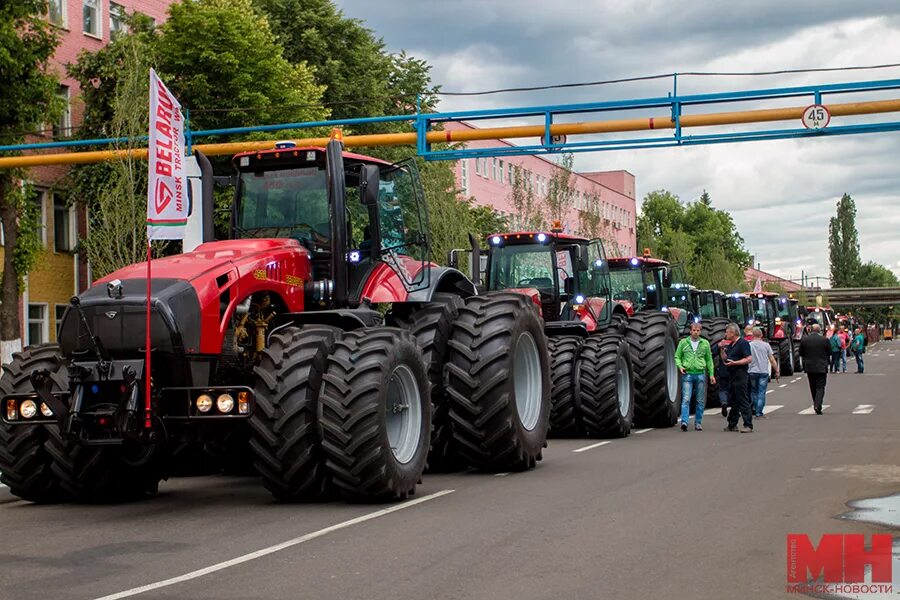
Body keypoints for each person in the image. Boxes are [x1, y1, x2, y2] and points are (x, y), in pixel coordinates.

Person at [675, 322, 716, 431]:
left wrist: (711, 374)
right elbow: (677, 356)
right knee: (686, 399)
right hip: (687, 373)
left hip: (700, 373)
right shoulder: (683, 343)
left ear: (700, 331)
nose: (696, 332)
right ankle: (684, 422)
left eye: (698, 330)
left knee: (700, 400)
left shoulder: (705, 343)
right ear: (690, 331)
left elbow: (709, 360)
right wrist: (680, 366)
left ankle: (698, 422)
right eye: (694, 330)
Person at [722, 323, 753, 432]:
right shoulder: (731, 345)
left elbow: (749, 359)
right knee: (734, 400)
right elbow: (725, 358)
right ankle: (732, 424)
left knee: (743, 400)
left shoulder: (743, 343)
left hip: (741, 374)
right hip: (732, 375)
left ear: (732, 333)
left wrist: (735, 363)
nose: (725, 334)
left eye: (727, 332)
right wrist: (722, 349)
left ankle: (748, 424)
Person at [799, 323, 831, 414]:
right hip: (821, 366)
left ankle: (816, 403)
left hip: (809, 366)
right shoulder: (824, 340)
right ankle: (817, 404)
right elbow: (830, 352)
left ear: (810, 330)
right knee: (820, 387)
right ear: (819, 330)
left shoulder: (804, 340)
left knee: (812, 386)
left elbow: (801, 352)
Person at [748, 327, 778, 418]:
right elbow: (772, 359)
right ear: (761, 335)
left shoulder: (749, 345)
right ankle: (759, 412)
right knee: (761, 392)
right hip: (763, 371)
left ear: (752, 335)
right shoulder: (766, 345)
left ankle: (754, 408)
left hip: (752, 371)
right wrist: (776, 370)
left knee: (753, 391)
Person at [717, 335, 733, 417]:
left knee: (723, 389)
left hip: (723, 370)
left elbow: (712, 353)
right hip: (733, 371)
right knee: (733, 390)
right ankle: (734, 408)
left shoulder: (722, 344)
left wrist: (718, 347)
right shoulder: (734, 344)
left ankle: (723, 402)